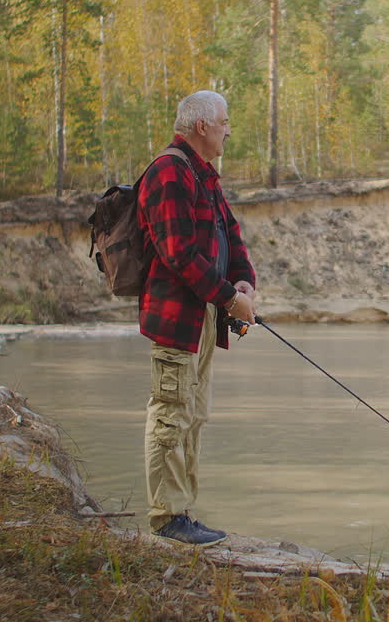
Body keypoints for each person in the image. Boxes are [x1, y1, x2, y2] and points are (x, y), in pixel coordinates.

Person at [136, 90, 257, 547]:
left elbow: (230, 232)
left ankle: (182, 511)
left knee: (194, 413)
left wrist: (243, 281)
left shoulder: (204, 175)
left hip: (205, 314)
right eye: (225, 121)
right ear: (202, 125)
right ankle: (166, 517)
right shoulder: (169, 171)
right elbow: (178, 254)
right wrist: (230, 299)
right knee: (170, 413)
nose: (229, 129)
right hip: (175, 319)